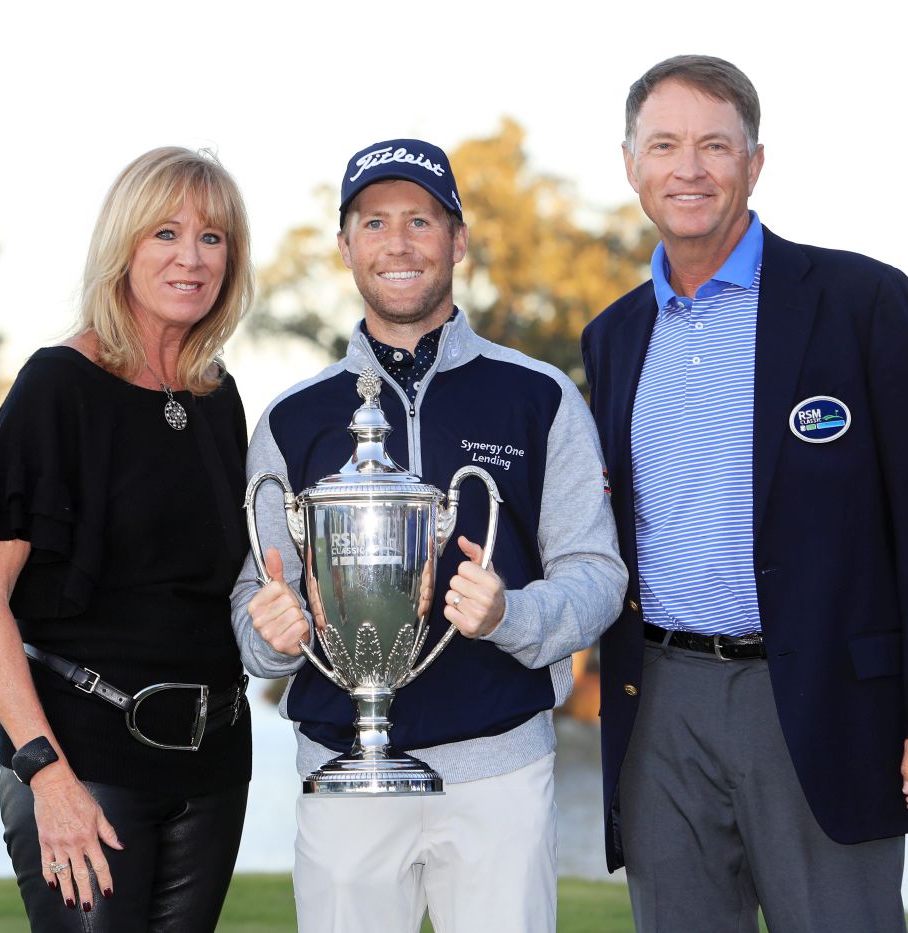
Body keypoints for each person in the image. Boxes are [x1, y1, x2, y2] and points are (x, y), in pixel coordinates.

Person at [581, 55, 908, 932]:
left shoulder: (860, 301)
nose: (688, 168)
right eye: (663, 145)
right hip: (660, 706)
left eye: (713, 146)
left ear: (754, 163)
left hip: (821, 701)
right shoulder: (613, 336)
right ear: (631, 167)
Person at [233, 138, 627, 933]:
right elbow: (255, 596)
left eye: (421, 220)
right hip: (345, 775)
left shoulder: (539, 398)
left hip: (500, 771)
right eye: (374, 223)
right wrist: (268, 635)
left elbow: (598, 574)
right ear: (345, 246)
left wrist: (509, 614)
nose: (399, 243)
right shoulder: (293, 418)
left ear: (460, 239)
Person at [0, 146, 255, 932]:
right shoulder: (57, 386)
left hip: (216, 763)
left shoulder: (220, 400)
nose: (192, 257)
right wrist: (45, 774)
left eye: (213, 238)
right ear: (123, 246)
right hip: (86, 760)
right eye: (166, 233)